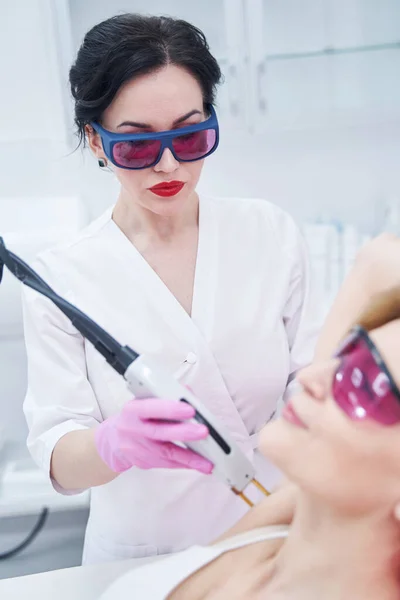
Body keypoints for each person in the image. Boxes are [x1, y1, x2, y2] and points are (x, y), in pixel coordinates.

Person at [21, 13, 317, 564]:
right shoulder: (60, 277)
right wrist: (111, 445)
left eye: (190, 135)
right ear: (95, 141)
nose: (167, 163)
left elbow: (313, 381)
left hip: (273, 538)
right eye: (136, 146)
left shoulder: (269, 234)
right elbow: (59, 454)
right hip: (140, 560)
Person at [99, 234, 400, 600]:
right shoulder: (272, 536)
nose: (312, 377)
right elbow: (376, 261)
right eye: (348, 355)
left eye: (365, 384)